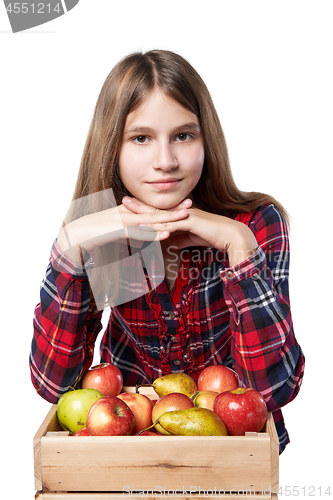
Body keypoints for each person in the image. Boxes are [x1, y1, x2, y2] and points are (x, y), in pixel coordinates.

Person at [30, 49, 305, 453]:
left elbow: (274, 389)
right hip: (128, 446)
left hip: (229, 457)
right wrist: (70, 250)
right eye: (141, 138)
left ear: (205, 138)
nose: (166, 161)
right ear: (113, 148)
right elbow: (54, 386)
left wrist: (241, 251)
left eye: (183, 135)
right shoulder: (98, 230)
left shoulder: (254, 225)